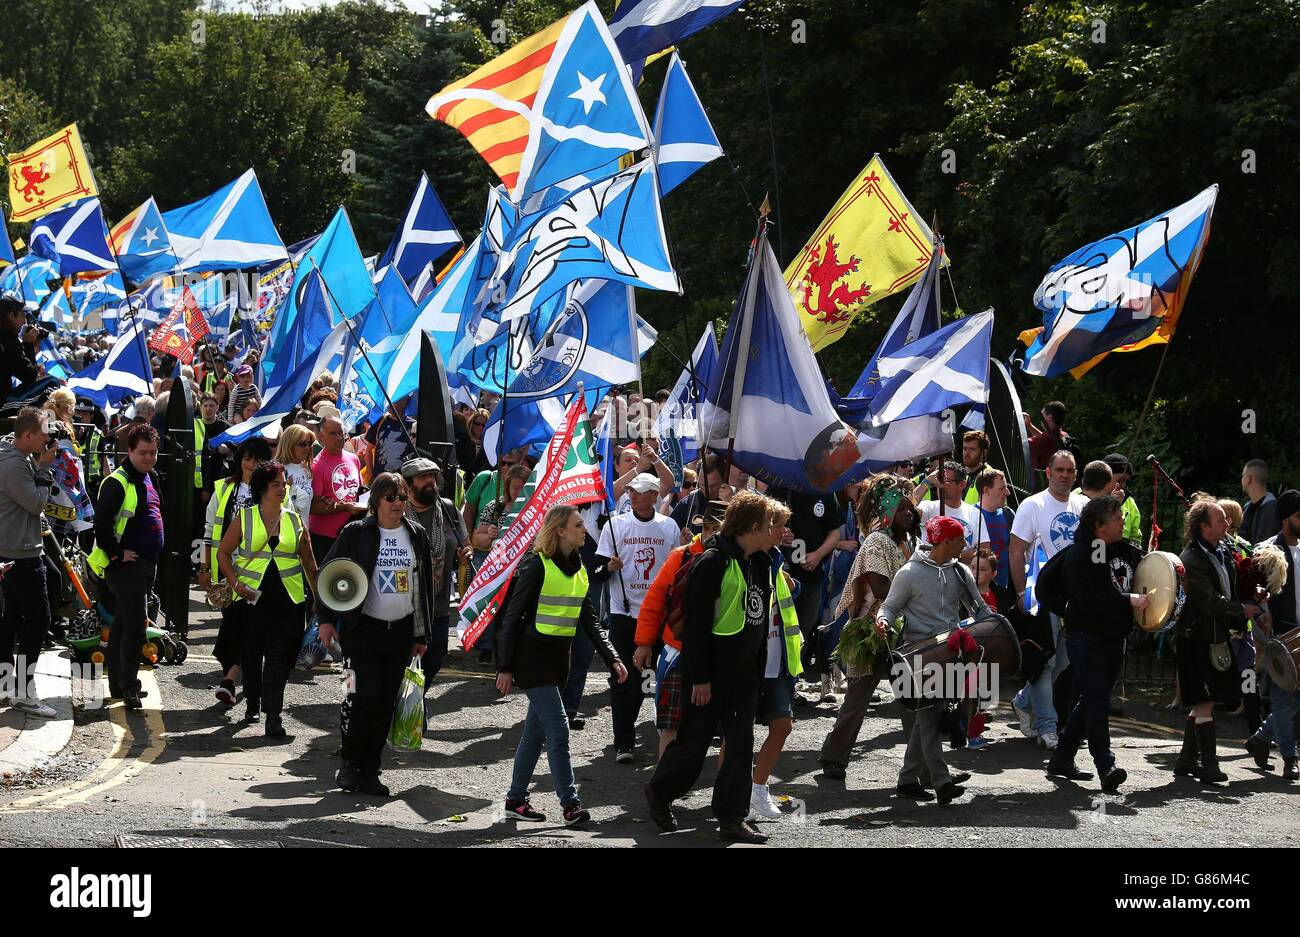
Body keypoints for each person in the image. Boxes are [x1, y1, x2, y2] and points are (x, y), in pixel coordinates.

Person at [644, 490, 777, 845]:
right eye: (768, 525)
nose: (773, 530)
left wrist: (758, 672)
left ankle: (731, 819)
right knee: (693, 745)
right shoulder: (712, 562)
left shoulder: (762, 562)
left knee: (740, 747)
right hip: (709, 677)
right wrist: (700, 678)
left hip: (744, 676)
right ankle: (659, 791)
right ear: (751, 527)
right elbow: (697, 627)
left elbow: (757, 621)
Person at [495, 505, 627, 825]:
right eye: (579, 525)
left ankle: (515, 799)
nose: (585, 529)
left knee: (534, 734)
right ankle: (571, 805)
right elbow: (511, 619)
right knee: (559, 730)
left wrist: (613, 658)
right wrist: (505, 667)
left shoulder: (580, 569)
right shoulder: (536, 566)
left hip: (558, 662)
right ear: (560, 530)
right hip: (533, 660)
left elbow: (591, 622)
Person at [316, 473, 432, 797]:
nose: (397, 504)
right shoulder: (356, 532)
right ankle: (349, 764)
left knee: (384, 704)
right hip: (360, 632)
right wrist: (325, 619)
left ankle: (370, 770)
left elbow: (423, 588)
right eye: (390, 497)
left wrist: (422, 635)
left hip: (399, 634)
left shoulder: (416, 535)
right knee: (358, 697)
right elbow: (330, 573)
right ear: (376, 501)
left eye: (402, 498)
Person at [879, 515, 991, 804]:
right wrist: (883, 622)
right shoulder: (909, 573)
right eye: (960, 541)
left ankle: (907, 780)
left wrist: (994, 627)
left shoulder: (961, 572)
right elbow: (890, 608)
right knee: (929, 716)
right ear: (945, 542)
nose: (964, 546)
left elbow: (978, 609)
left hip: (952, 654)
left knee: (928, 716)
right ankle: (942, 783)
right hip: (919, 655)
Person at [819, 475, 918, 779]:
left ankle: (923, 768)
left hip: (900, 631)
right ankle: (833, 759)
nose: (909, 515)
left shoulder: (907, 543)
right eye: (903, 510)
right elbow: (881, 586)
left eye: (911, 509)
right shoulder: (877, 541)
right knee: (857, 701)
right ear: (888, 513)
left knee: (912, 701)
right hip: (871, 631)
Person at [1046, 496, 1146, 790]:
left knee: (1091, 697)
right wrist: (1128, 600)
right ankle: (1106, 765)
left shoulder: (1120, 549)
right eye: (1117, 518)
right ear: (1100, 525)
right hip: (1086, 637)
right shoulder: (1082, 555)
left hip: (1113, 636)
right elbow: (1089, 598)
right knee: (1098, 699)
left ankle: (1062, 757)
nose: (1123, 521)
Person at [216, 461, 318, 739]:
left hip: (288, 599)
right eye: (276, 484)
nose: (283, 488)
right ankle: (252, 703)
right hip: (250, 599)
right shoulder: (245, 517)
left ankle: (273, 716)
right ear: (262, 488)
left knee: (279, 658)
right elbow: (223, 553)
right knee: (251, 654)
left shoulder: (295, 519)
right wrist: (235, 583)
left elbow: (309, 562)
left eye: (284, 484)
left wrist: (319, 596)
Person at [594, 472, 681, 762]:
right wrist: (609, 567)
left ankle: (666, 736)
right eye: (631, 490)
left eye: (641, 491)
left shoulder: (668, 527)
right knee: (624, 677)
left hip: (659, 615)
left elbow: (677, 569)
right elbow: (595, 570)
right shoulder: (615, 525)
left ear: (655, 495)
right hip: (624, 613)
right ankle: (624, 741)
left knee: (661, 677)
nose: (633, 495)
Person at [1173, 500, 1260, 784]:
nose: (1227, 525)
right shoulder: (1192, 559)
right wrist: (1241, 611)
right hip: (1196, 638)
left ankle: (1186, 761)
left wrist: (1252, 599)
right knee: (1205, 702)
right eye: (1221, 520)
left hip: (1214, 637)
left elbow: (1229, 590)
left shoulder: (1220, 552)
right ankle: (1208, 765)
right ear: (1204, 526)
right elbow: (1208, 602)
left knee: (1203, 701)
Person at [633, 499, 727, 759]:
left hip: (717, 656)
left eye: (718, 529)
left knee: (710, 727)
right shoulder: (681, 555)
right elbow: (654, 601)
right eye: (708, 528)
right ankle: (664, 781)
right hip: (677, 653)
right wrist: (643, 643)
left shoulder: (737, 561)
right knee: (671, 724)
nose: (712, 534)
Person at [1008, 451, 1088, 749]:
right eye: (1059, 470)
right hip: (1042, 596)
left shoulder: (1084, 506)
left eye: (1070, 470)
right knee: (1045, 662)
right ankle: (1048, 727)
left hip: (1077, 598)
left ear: (1076, 474)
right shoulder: (1033, 505)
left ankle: (1022, 700)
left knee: (1065, 661)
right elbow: (1016, 551)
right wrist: (1020, 593)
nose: (1065, 475)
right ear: (1048, 472)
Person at [86, 422, 163, 712]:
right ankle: (130, 686)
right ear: (129, 450)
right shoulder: (117, 482)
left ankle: (118, 683)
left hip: (144, 564)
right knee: (135, 624)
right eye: (143, 453)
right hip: (124, 567)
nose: (149, 458)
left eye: (153, 453)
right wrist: (117, 554)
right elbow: (102, 525)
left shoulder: (150, 477)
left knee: (122, 622)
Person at [202, 435, 275, 712]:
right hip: (228, 569)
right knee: (234, 624)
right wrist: (205, 568)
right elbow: (209, 530)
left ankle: (231, 681)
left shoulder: (271, 491)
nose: (251, 464)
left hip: (258, 571)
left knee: (245, 625)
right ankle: (240, 677)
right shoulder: (223, 488)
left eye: (258, 460)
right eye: (247, 458)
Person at [0, 408, 60, 717]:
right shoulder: (13, 465)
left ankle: (7, 685)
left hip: (16, 548)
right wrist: (44, 468)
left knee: (11, 618)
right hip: (21, 553)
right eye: (44, 431)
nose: (49, 436)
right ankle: (22, 691)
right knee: (39, 619)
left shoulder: (16, 457)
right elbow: (37, 503)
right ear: (27, 436)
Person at [749, 500, 803, 822]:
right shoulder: (743, 560)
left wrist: (788, 584)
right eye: (779, 523)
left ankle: (758, 791)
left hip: (777, 663)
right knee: (736, 735)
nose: (785, 531)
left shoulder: (776, 560)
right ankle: (736, 791)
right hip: (749, 664)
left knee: (781, 726)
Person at [401, 458, 470, 698]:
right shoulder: (398, 512)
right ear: (408, 485)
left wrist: (465, 554)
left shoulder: (448, 508)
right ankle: (405, 711)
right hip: (406, 606)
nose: (431, 482)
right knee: (405, 662)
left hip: (439, 607)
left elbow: (464, 544)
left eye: (433, 476)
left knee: (434, 659)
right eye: (423, 478)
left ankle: (413, 702)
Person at [1244, 489, 1300, 780]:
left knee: (1295, 701)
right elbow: (1252, 592)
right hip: (1278, 633)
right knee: (1282, 699)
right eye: (1299, 515)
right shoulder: (1267, 550)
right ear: (1285, 518)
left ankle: (1260, 738)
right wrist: (1261, 612)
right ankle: (1289, 758)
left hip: (1299, 634)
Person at [766, 481, 843, 684]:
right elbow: (763, 525)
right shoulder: (779, 486)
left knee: (802, 630)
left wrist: (818, 554)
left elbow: (835, 532)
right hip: (781, 576)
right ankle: (778, 681)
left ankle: (792, 678)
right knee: (778, 630)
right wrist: (778, 536)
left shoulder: (825, 490)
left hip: (812, 577)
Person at [468, 463, 530, 661]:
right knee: (496, 614)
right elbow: (478, 539)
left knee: (518, 616)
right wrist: (489, 535)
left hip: (526, 572)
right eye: (515, 487)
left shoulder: (535, 510)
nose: (519, 491)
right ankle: (492, 651)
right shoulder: (495, 508)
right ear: (507, 487)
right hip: (499, 573)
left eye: (524, 486)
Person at [309, 416, 367, 565]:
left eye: (341, 432)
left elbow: (361, 492)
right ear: (321, 437)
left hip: (352, 534)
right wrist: (346, 507)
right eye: (333, 433)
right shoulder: (317, 465)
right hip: (325, 538)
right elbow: (313, 507)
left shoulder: (353, 459)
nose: (339, 437)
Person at [916, 461, 988, 562]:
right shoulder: (927, 507)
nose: (940, 485)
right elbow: (907, 506)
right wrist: (927, 482)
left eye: (947, 481)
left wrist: (948, 554)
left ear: (962, 484)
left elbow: (984, 552)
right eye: (939, 480)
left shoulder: (976, 514)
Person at [973, 468, 1016, 611]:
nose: (1008, 493)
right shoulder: (971, 515)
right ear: (986, 490)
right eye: (1002, 488)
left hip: (1007, 590)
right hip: (980, 592)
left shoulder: (1008, 514)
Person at [0, 296, 57, 406]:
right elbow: (30, 377)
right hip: (2, 403)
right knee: (52, 382)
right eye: (22, 315)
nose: (24, 321)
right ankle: (31, 420)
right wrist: (28, 344)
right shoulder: (8, 341)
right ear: (11, 316)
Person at [1026, 401, 1077, 484]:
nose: (1040, 418)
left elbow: (1021, 445)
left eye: (1042, 415)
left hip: (1047, 484)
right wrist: (1029, 425)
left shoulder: (1046, 439)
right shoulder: (1063, 435)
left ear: (1049, 417)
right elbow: (1043, 439)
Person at [274, 424, 316, 520]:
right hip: (282, 529)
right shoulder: (277, 470)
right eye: (302, 444)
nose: (307, 448)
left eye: (309, 444)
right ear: (289, 444)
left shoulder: (308, 470)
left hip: (303, 530)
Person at [1101, 453, 1142, 542]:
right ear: (1105, 477)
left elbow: (1135, 537)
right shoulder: (1084, 496)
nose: (1123, 485)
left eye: (1126, 481)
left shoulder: (1129, 501)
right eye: (1120, 480)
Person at [1239, 459, 1279, 546]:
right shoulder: (1248, 506)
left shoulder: (1270, 509)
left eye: (1243, 476)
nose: (1241, 479)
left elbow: (1264, 546)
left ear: (1249, 479)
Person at [959, 430, 989, 504]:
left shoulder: (990, 478)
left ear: (984, 452)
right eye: (964, 449)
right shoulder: (964, 475)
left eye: (972, 449)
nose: (966, 453)